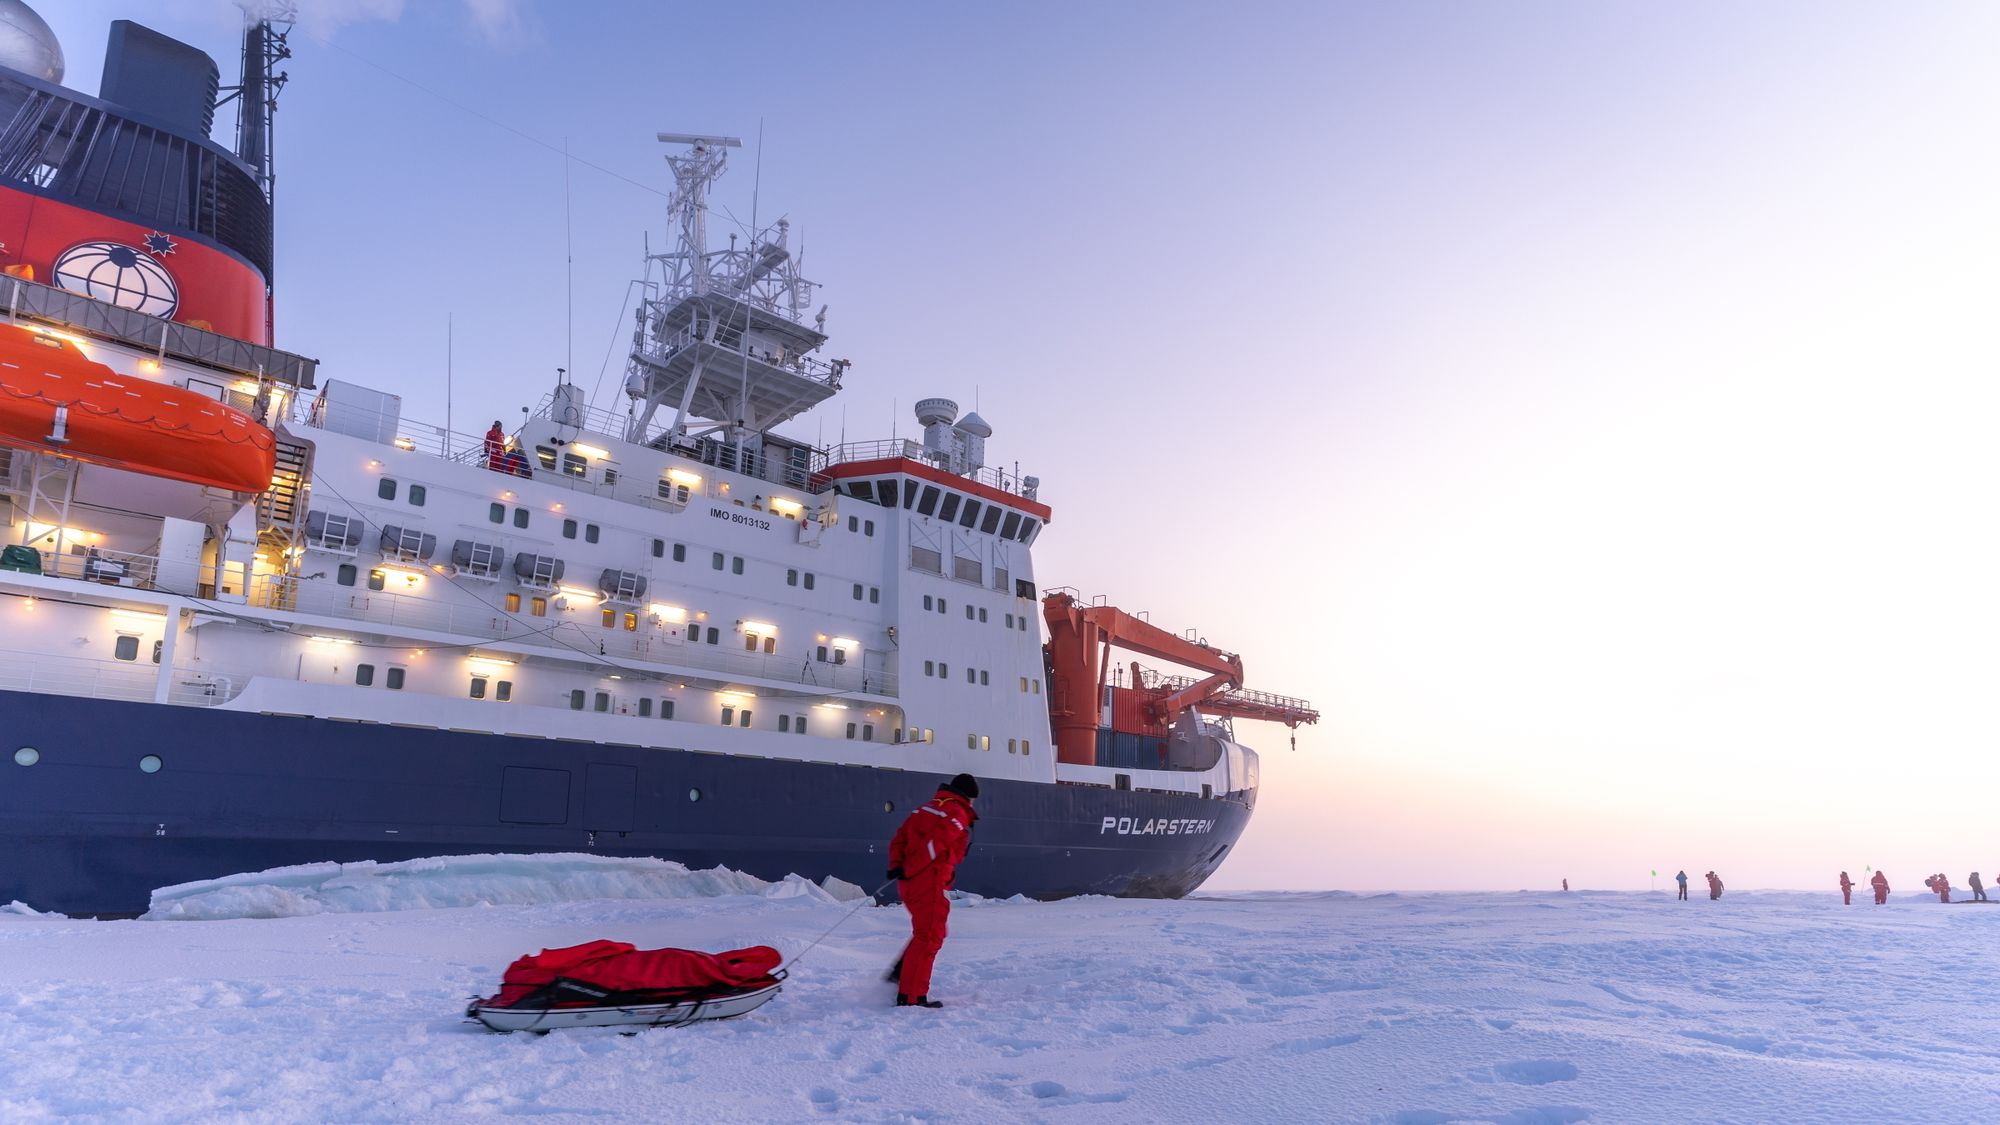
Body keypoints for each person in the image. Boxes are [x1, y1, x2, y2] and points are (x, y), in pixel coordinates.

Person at [885, 773, 979, 1009]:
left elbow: (899, 838)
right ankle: (912, 997)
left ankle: (900, 976)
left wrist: (897, 866)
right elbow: (934, 845)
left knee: (925, 933)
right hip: (928, 880)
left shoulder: (926, 808)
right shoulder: (956, 813)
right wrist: (910, 868)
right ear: (969, 796)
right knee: (930, 936)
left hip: (910, 882)